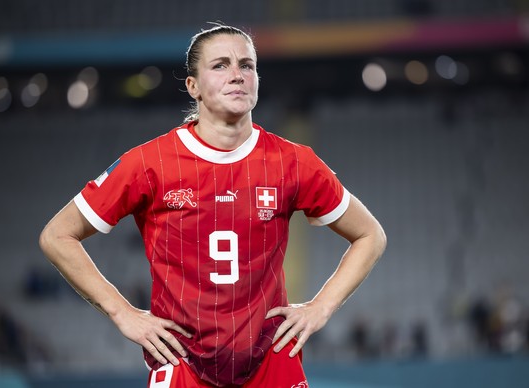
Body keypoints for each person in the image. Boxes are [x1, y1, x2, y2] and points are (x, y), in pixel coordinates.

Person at [39, 24, 386, 387]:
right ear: (193, 86)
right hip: (180, 357)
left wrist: (321, 308)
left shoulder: (293, 161)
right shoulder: (149, 163)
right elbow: (57, 235)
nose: (237, 75)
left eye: (247, 65)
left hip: (270, 355)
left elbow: (370, 235)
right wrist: (121, 312)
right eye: (220, 65)